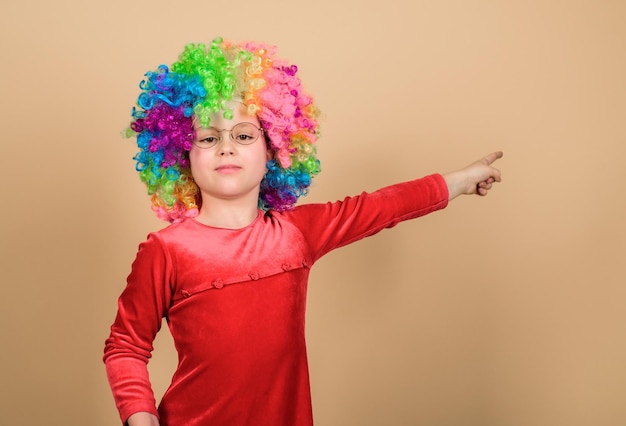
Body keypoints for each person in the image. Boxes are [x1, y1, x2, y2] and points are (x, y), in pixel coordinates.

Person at [103, 37, 503, 426]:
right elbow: (125, 346)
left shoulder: (297, 233)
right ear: (182, 156)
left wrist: (463, 180)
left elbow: (383, 206)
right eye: (208, 138)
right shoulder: (166, 250)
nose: (226, 147)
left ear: (274, 150)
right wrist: (141, 418)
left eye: (243, 135)